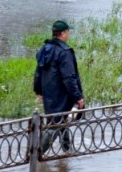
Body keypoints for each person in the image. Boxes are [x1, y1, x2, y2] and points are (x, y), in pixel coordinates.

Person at [33, 20, 85, 152]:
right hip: (61, 96)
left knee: (61, 122)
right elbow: (69, 78)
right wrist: (78, 97)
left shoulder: (45, 49)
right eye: (68, 32)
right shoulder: (64, 52)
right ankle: (36, 155)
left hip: (49, 95)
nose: (68, 34)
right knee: (55, 125)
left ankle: (67, 151)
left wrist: (39, 91)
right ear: (62, 33)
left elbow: (38, 73)